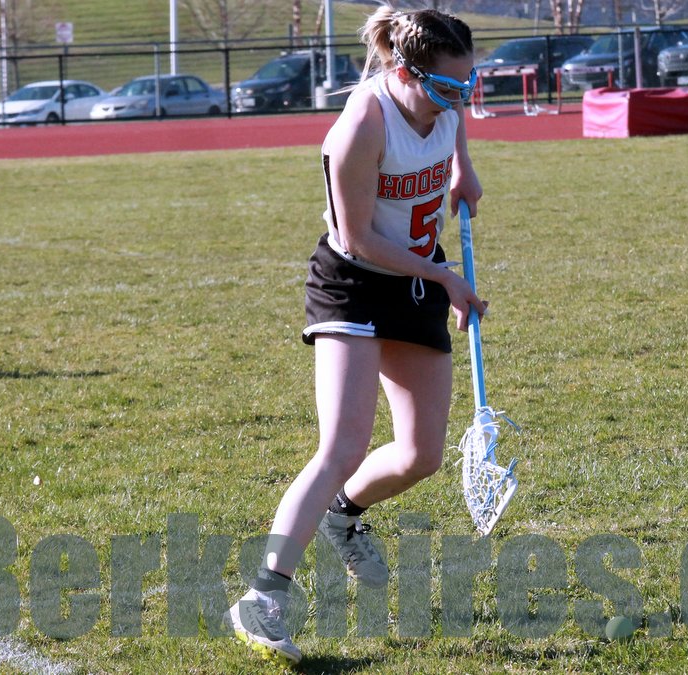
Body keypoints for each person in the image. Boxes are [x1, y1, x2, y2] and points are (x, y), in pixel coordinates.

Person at [224, 4, 485, 665]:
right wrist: (444, 276)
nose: (460, 98)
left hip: (417, 280)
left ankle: (343, 514)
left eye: (469, 84)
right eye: (448, 87)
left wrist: (462, 166)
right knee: (342, 445)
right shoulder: (362, 126)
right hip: (355, 283)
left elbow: (451, 121)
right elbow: (359, 237)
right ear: (405, 72)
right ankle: (262, 597)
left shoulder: (445, 102)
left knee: (422, 454)